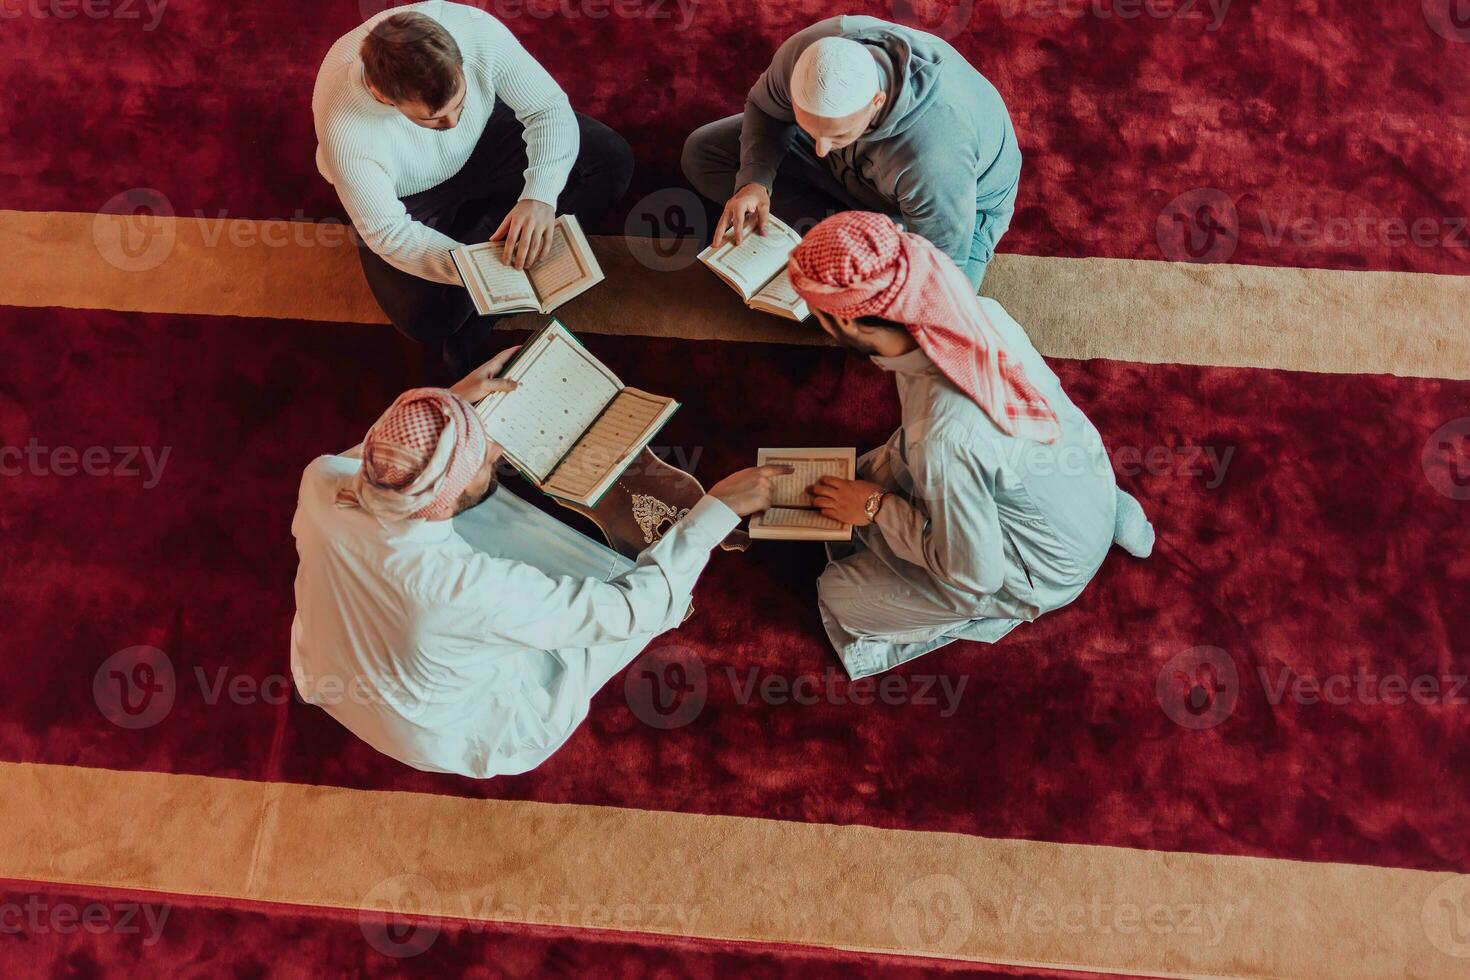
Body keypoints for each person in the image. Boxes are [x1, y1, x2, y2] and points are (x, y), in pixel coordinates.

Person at [289, 347, 788, 778]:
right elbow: (639, 608)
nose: (497, 450)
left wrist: (451, 405)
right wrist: (716, 510)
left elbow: (381, 462)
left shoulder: (323, 480)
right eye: (482, 456)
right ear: (444, 494)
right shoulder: (467, 589)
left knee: (495, 519)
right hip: (449, 732)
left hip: (327, 672)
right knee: (639, 593)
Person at [786, 212, 1155, 679]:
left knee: (840, 595)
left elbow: (975, 578)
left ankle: (1036, 586)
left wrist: (878, 508)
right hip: (1085, 484)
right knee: (890, 465)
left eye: (816, 314)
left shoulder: (942, 438)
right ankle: (1107, 517)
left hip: (1045, 569)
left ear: (850, 322)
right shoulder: (975, 310)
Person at [312, 1, 633, 372]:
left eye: (458, 103)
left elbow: (546, 109)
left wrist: (540, 196)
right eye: (433, 119)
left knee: (611, 160)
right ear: (384, 96)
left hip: (487, 137)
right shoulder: (344, 128)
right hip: (409, 190)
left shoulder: (474, 28)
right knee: (424, 319)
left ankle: (492, 233)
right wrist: (481, 270)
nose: (451, 123)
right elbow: (389, 233)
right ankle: (495, 233)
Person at [682, 15, 1020, 289]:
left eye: (837, 133)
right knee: (703, 154)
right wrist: (754, 181)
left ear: (876, 103)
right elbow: (767, 109)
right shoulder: (809, 52)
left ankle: (860, 235)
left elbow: (945, 267)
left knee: (911, 326)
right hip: (863, 176)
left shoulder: (934, 154)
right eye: (810, 127)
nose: (820, 148)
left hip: (954, 214)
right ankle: (850, 233)